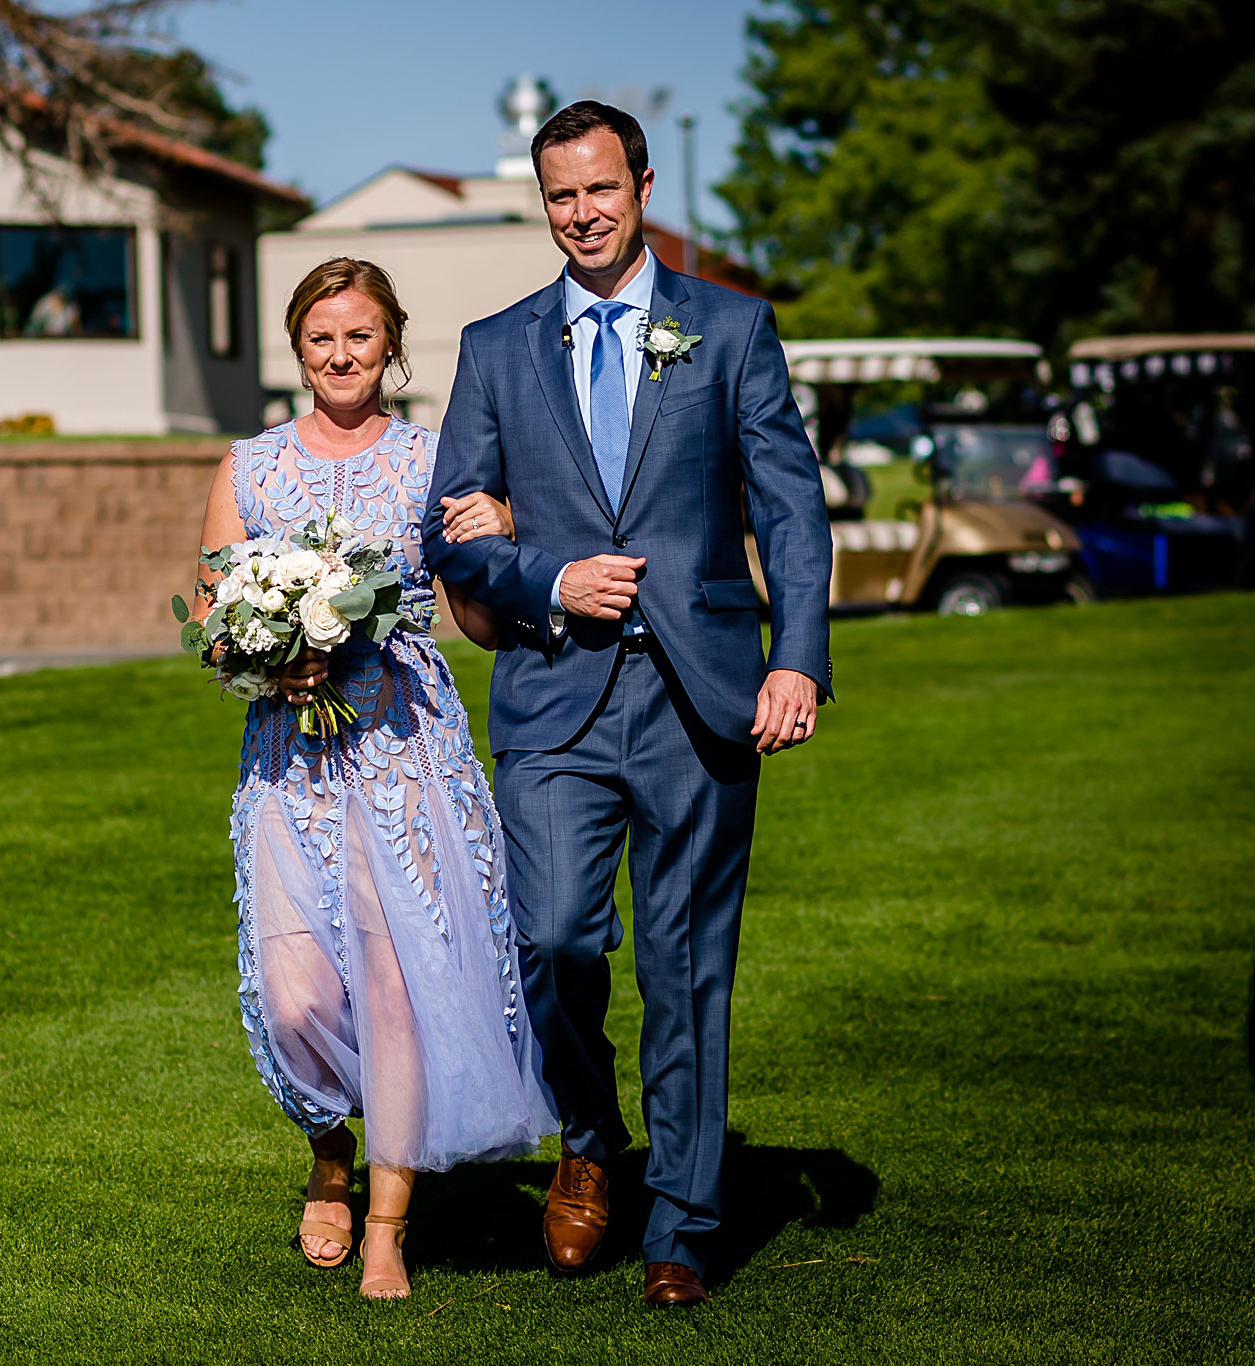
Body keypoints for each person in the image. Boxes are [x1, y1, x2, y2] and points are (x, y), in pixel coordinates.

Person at [422, 101, 833, 1309]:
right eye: (559, 197)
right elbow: (450, 525)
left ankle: (686, 1223)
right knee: (549, 938)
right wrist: (543, 571)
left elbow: (790, 512)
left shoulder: (732, 329)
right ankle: (591, 1142)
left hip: (701, 695)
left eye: (599, 190)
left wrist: (794, 657)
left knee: (686, 962)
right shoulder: (496, 346)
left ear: (641, 186)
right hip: (553, 696)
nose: (581, 214)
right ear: (541, 203)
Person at [196, 257, 557, 1302]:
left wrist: (500, 543)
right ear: (296, 348)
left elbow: (479, 621)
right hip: (290, 759)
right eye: (319, 339)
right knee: (296, 989)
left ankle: (389, 1227)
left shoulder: (432, 459)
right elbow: (215, 626)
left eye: (358, 337)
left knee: (401, 985)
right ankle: (325, 1148)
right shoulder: (248, 465)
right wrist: (270, 649)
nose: (339, 356)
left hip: (406, 751)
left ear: (389, 345)